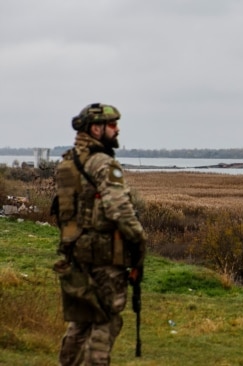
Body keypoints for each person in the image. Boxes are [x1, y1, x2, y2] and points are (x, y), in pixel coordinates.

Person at [52, 103, 146, 366]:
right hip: (105, 259)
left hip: (75, 255)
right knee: (106, 321)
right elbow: (121, 212)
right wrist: (139, 246)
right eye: (112, 125)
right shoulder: (103, 163)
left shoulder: (68, 162)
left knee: (81, 322)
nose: (117, 130)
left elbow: (65, 213)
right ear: (96, 128)